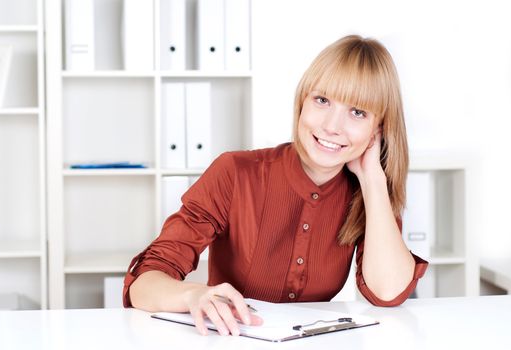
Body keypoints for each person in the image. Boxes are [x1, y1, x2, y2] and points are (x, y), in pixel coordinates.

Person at [123, 35, 428, 336]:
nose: (332, 127)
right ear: (302, 102)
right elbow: (143, 283)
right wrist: (190, 295)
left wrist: (373, 179)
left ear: (379, 129)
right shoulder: (235, 172)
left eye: (357, 112)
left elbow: (387, 293)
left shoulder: (368, 191)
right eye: (322, 100)